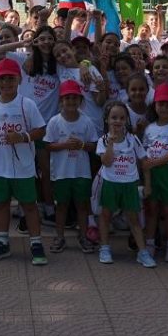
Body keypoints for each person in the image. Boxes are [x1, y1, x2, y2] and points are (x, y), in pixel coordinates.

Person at [0, 58, 48, 266]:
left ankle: (35, 243)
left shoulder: (27, 104)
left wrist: (23, 137)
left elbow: (41, 130)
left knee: (29, 206)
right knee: (1, 204)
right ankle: (2, 242)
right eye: (2, 79)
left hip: (24, 167)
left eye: (10, 78)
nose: (6, 83)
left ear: (19, 80)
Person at [95, 101, 154, 268]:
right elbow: (106, 162)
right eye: (114, 117)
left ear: (126, 120)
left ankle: (142, 253)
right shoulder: (103, 140)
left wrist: (147, 184)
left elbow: (145, 162)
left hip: (129, 184)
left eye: (122, 118)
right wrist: (111, 145)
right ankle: (104, 248)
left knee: (134, 220)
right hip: (110, 183)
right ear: (107, 119)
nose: (117, 121)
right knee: (106, 216)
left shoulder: (133, 139)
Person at [43, 80, 96, 254]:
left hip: (81, 172)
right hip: (61, 172)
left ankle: (84, 236)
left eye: (75, 98)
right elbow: (48, 145)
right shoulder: (54, 122)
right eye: (67, 98)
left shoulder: (86, 121)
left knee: (82, 205)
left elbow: (94, 146)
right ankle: (60, 237)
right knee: (62, 206)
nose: (71, 102)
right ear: (61, 101)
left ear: (80, 100)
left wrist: (81, 145)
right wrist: (65, 145)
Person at [141, 84, 168, 263]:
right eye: (161, 104)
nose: (164, 107)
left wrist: (156, 162)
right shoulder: (150, 128)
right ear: (155, 105)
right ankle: (150, 243)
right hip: (152, 174)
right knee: (152, 210)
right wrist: (148, 167)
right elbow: (144, 151)